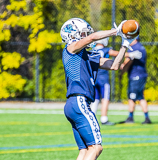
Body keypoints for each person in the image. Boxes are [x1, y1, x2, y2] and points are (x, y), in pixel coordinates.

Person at [60, 18, 139, 160]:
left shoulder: (87, 56)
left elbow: (114, 65)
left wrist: (125, 44)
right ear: (72, 35)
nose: (86, 37)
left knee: (84, 151)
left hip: (74, 104)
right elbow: (92, 37)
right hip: (79, 101)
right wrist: (117, 31)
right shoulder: (70, 49)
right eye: (82, 34)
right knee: (96, 147)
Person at [120, 37, 152, 124]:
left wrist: (122, 71)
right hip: (140, 75)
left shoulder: (135, 47)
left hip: (136, 76)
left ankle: (132, 118)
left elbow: (128, 61)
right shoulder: (141, 47)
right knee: (139, 96)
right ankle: (145, 117)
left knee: (133, 96)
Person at [90, 37, 119, 126]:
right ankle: (104, 119)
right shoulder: (106, 50)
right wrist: (129, 54)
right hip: (103, 78)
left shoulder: (91, 50)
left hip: (93, 77)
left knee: (95, 99)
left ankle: (91, 117)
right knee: (105, 98)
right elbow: (116, 53)